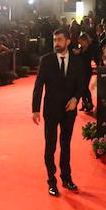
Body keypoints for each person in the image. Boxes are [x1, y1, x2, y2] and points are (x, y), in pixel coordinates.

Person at [31, 28, 85, 197]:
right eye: (54, 40)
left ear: (68, 41)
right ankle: (51, 181)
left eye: (60, 40)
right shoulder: (46, 60)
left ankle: (66, 178)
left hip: (69, 109)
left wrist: (76, 99)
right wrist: (35, 109)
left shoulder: (78, 60)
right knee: (50, 146)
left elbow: (81, 83)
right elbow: (38, 85)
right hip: (51, 109)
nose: (56, 43)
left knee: (66, 145)